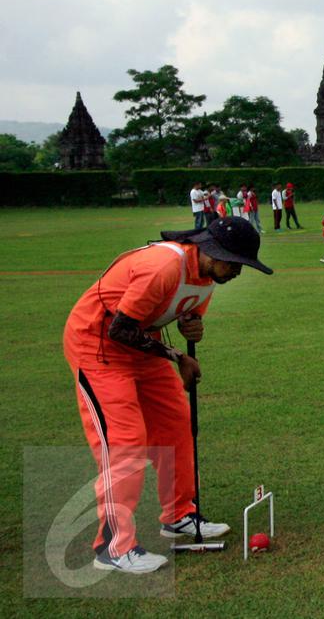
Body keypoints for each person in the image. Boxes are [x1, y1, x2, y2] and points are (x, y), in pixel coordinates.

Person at [61, 216, 273, 574]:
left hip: (144, 347)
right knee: (125, 441)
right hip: (98, 346)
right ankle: (113, 547)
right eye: (235, 264)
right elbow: (120, 329)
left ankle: (180, 515)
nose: (238, 272)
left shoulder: (208, 276)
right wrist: (177, 356)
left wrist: (192, 329)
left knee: (177, 425)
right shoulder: (163, 267)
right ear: (212, 251)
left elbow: (183, 315)